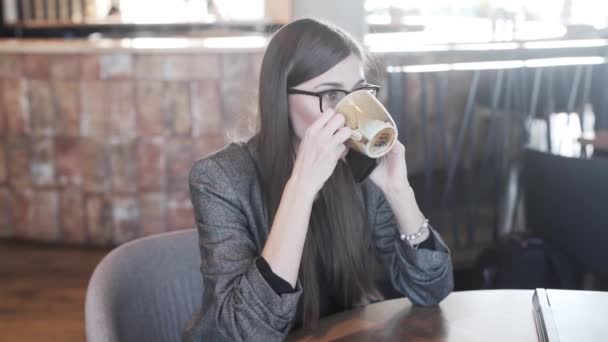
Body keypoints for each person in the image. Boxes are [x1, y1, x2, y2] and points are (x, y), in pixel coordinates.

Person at [183, 18, 453, 342]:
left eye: (358, 93)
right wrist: (301, 188)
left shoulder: (359, 171)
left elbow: (431, 290)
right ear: (280, 97)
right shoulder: (219, 179)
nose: (349, 111)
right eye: (331, 94)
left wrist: (399, 191)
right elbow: (247, 332)